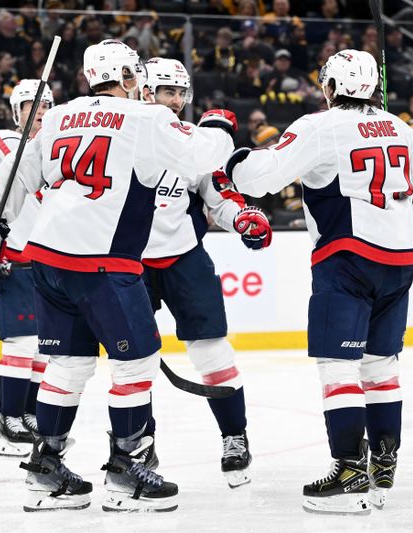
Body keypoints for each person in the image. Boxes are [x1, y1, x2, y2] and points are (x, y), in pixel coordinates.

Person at [0, 39, 236, 512]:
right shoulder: (147, 118)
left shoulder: (58, 115)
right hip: (103, 261)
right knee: (135, 366)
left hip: (49, 258)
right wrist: (217, 127)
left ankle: (46, 469)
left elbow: (16, 172)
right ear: (130, 78)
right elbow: (200, 157)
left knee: (68, 366)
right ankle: (125, 472)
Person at [221, 49, 413, 513]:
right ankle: (383, 463)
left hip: (348, 256)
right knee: (381, 365)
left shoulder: (318, 126)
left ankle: (348, 468)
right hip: (402, 259)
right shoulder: (400, 125)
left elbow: (262, 178)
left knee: (338, 365)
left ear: (331, 86)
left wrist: (233, 160)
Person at [140, 57, 271, 488]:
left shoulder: (196, 142)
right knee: (131, 361)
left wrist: (242, 219)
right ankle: (137, 447)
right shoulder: (124, 135)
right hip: (128, 263)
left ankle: (235, 436)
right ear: (145, 91)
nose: (176, 101)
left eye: (181, 93)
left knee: (213, 353)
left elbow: (220, 197)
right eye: (167, 92)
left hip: (184, 256)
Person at [0, 79, 54, 456]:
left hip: (49, 259)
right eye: (32, 109)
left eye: (45, 108)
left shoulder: (59, 147)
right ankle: (9, 418)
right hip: (14, 257)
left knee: (44, 346)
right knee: (21, 342)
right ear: (17, 112)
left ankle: (31, 413)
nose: (39, 116)